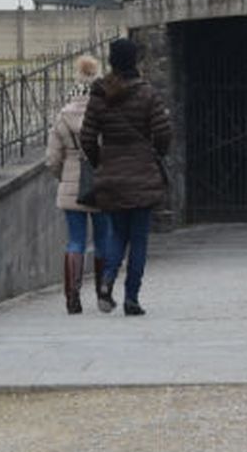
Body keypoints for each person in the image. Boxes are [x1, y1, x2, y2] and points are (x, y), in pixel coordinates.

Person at [80, 37, 172, 316]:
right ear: (135, 60)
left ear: (111, 61)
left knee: (117, 234)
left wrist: (100, 162)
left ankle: (107, 281)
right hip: (142, 174)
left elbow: (87, 137)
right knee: (139, 239)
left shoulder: (99, 94)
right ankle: (131, 298)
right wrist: (155, 155)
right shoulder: (147, 93)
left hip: (111, 176)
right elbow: (163, 132)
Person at [44, 54, 113, 315]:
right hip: (101, 181)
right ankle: (103, 293)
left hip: (71, 183)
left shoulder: (63, 116)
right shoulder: (105, 113)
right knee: (103, 239)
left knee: (75, 241)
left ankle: (72, 298)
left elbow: (52, 159)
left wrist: (63, 176)